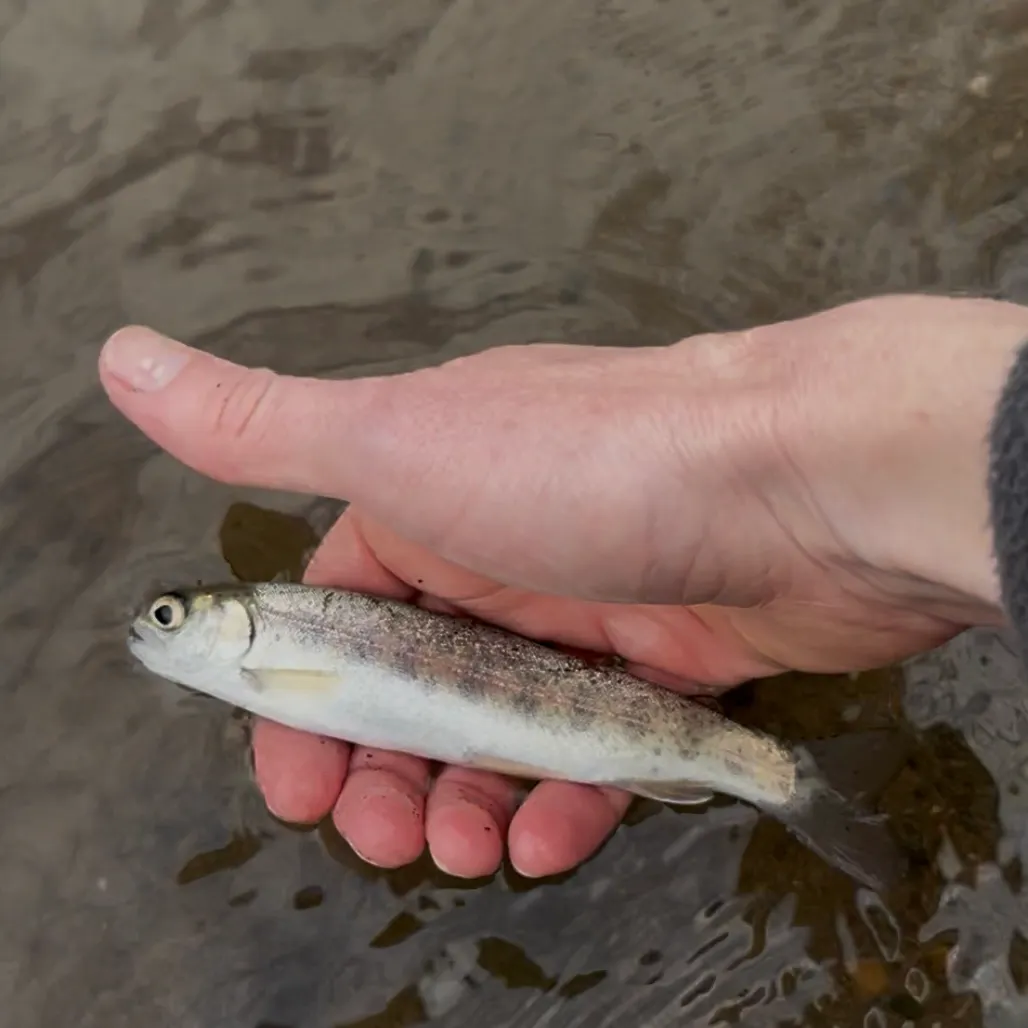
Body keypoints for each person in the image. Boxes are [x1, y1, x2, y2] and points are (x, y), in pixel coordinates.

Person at [98, 292, 1028, 881]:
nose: (158, 626)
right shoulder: (269, 655)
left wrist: (786, 486)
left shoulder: (278, 645)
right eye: (165, 616)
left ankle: (782, 777)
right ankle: (777, 775)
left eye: (173, 617)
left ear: (235, 626)